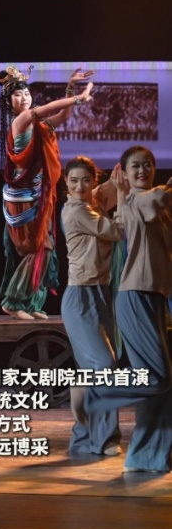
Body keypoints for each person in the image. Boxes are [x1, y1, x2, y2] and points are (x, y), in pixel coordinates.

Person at [71, 146, 172, 473]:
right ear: (124, 174)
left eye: (148, 165)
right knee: (157, 378)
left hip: (156, 297)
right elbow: (157, 199)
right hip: (136, 296)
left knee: (165, 387)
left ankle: (147, 457)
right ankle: (95, 393)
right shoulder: (136, 200)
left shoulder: (151, 202)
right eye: (135, 166)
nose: (142, 170)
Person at [0, 65, 94, 320]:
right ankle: (13, 301)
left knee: (44, 250)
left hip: (39, 196)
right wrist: (78, 98)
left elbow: (61, 116)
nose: (23, 98)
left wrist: (71, 87)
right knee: (38, 248)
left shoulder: (38, 124)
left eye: (26, 93)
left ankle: (30, 303)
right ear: (9, 103)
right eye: (17, 95)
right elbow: (45, 110)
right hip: (23, 198)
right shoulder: (21, 121)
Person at [61, 155, 125, 456]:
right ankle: (104, 438)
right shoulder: (77, 211)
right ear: (65, 182)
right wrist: (122, 193)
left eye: (86, 180)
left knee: (92, 372)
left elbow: (111, 187)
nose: (80, 186)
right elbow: (118, 230)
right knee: (104, 366)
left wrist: (122, 179)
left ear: (93, 181)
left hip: (100, 293)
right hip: (80, 297)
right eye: (73, 181)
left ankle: (83, 438)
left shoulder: (91, 200)